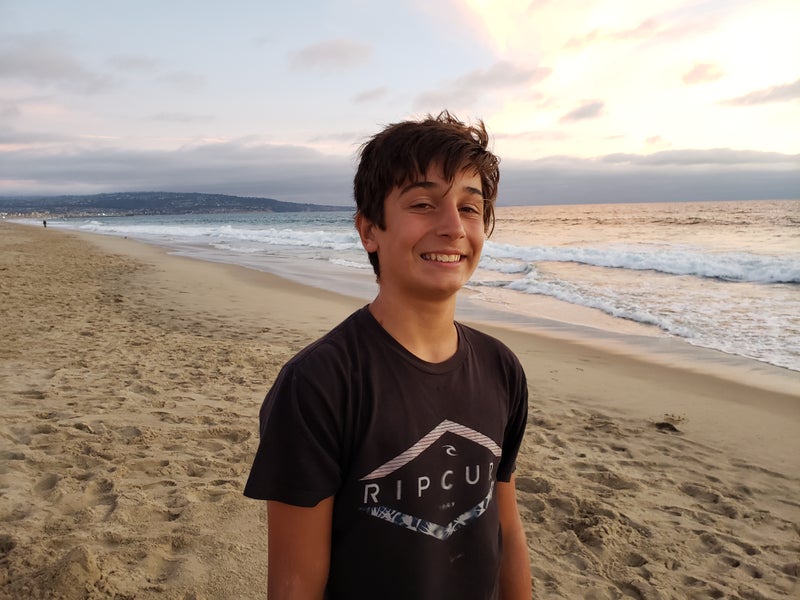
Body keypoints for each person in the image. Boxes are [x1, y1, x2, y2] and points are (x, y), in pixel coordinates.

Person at [244, 111, 531, 599]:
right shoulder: (319, 383)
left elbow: (507, 529)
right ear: (369, 230)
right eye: (423, 204)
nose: (453, 227)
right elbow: (295, 583)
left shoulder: (500, 368)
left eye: (469, 207)